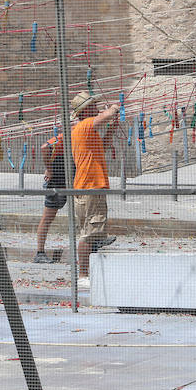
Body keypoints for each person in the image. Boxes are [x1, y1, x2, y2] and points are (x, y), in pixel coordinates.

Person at [69, 90, 118, 288]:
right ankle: (82, 276)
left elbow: (103, 146)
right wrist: (113, 109)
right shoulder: (84, 125)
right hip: (89, 186)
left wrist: (113, 128)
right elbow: (104, 116)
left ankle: (90, 271)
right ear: (85, 110)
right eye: (93, 105)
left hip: (93, 186)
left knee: (93, 231)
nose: (97, 107)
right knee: (88, 233)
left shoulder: (88, 131)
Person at [33, 132, 69, 263]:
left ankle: (92, 244)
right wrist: (49, 168)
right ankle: (40, 252)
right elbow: (44, 147)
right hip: (57, 182)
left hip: (69, 182)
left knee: (83, 212)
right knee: (47, 217)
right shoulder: (65, 136)